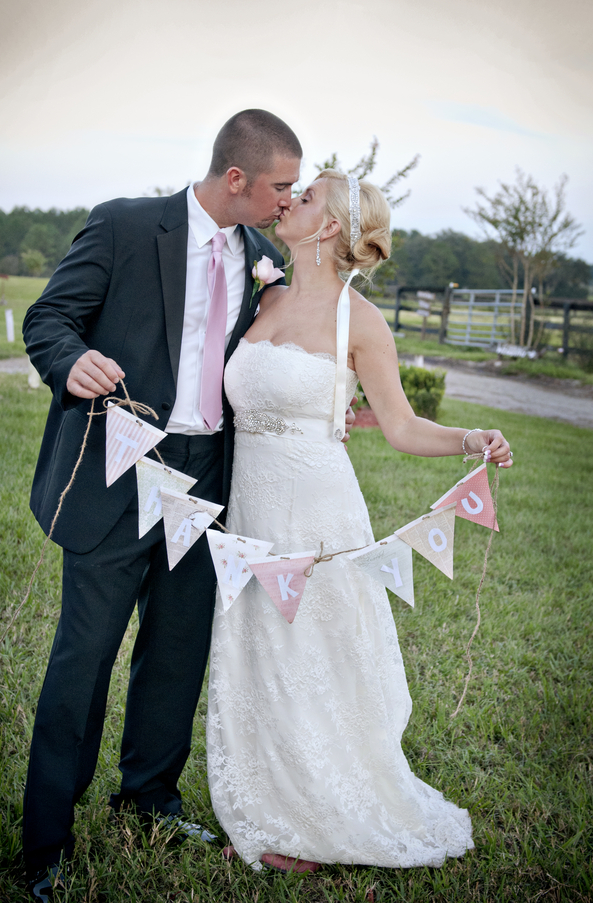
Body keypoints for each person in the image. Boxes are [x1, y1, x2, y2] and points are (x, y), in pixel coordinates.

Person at [21, 109, 307, 899]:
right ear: (238, 178)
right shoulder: (124, 224)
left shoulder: (261, 258)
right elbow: (48, 318)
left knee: (177, 653)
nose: (289, 202)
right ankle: (45, 839)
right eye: (281, 186)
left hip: (208, 478)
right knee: (85, 659)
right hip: (123, 469)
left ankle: (150, 796)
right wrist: (70, 359)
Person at [206, 169, 513, 872]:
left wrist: (471, 438)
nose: (288, 201)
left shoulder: (361, 320)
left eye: (305, 196)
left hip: (318, 514)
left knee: (315, 660)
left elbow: (401, 426)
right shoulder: (266, 292)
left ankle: (320, 817)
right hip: (252, 508)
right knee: (262, 657)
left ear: (332, 226)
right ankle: (269, 808)